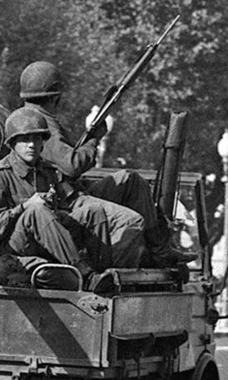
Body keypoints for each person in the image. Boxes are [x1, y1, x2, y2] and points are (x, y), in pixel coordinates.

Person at [16, 60, 195, 267]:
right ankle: (108, 273)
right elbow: (72, 165)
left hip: (72, 195)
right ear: (55, 97)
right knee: (131, 221)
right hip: (66, 202)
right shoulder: (38, 123)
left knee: (130, 180)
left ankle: (159, 249)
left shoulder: (35, 118)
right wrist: (94, 139)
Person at [0, 109, 149, 283]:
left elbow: (64, 206)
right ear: (12, 143)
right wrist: (23, 208)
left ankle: (103, 274)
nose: (32, 145)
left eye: (37, 138)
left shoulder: (47, 171)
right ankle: (86, 274)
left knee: (93, 211)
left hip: (45, 238)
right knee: (36, 210)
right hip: (13, 247)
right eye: (25, 139)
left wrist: (58, 213)